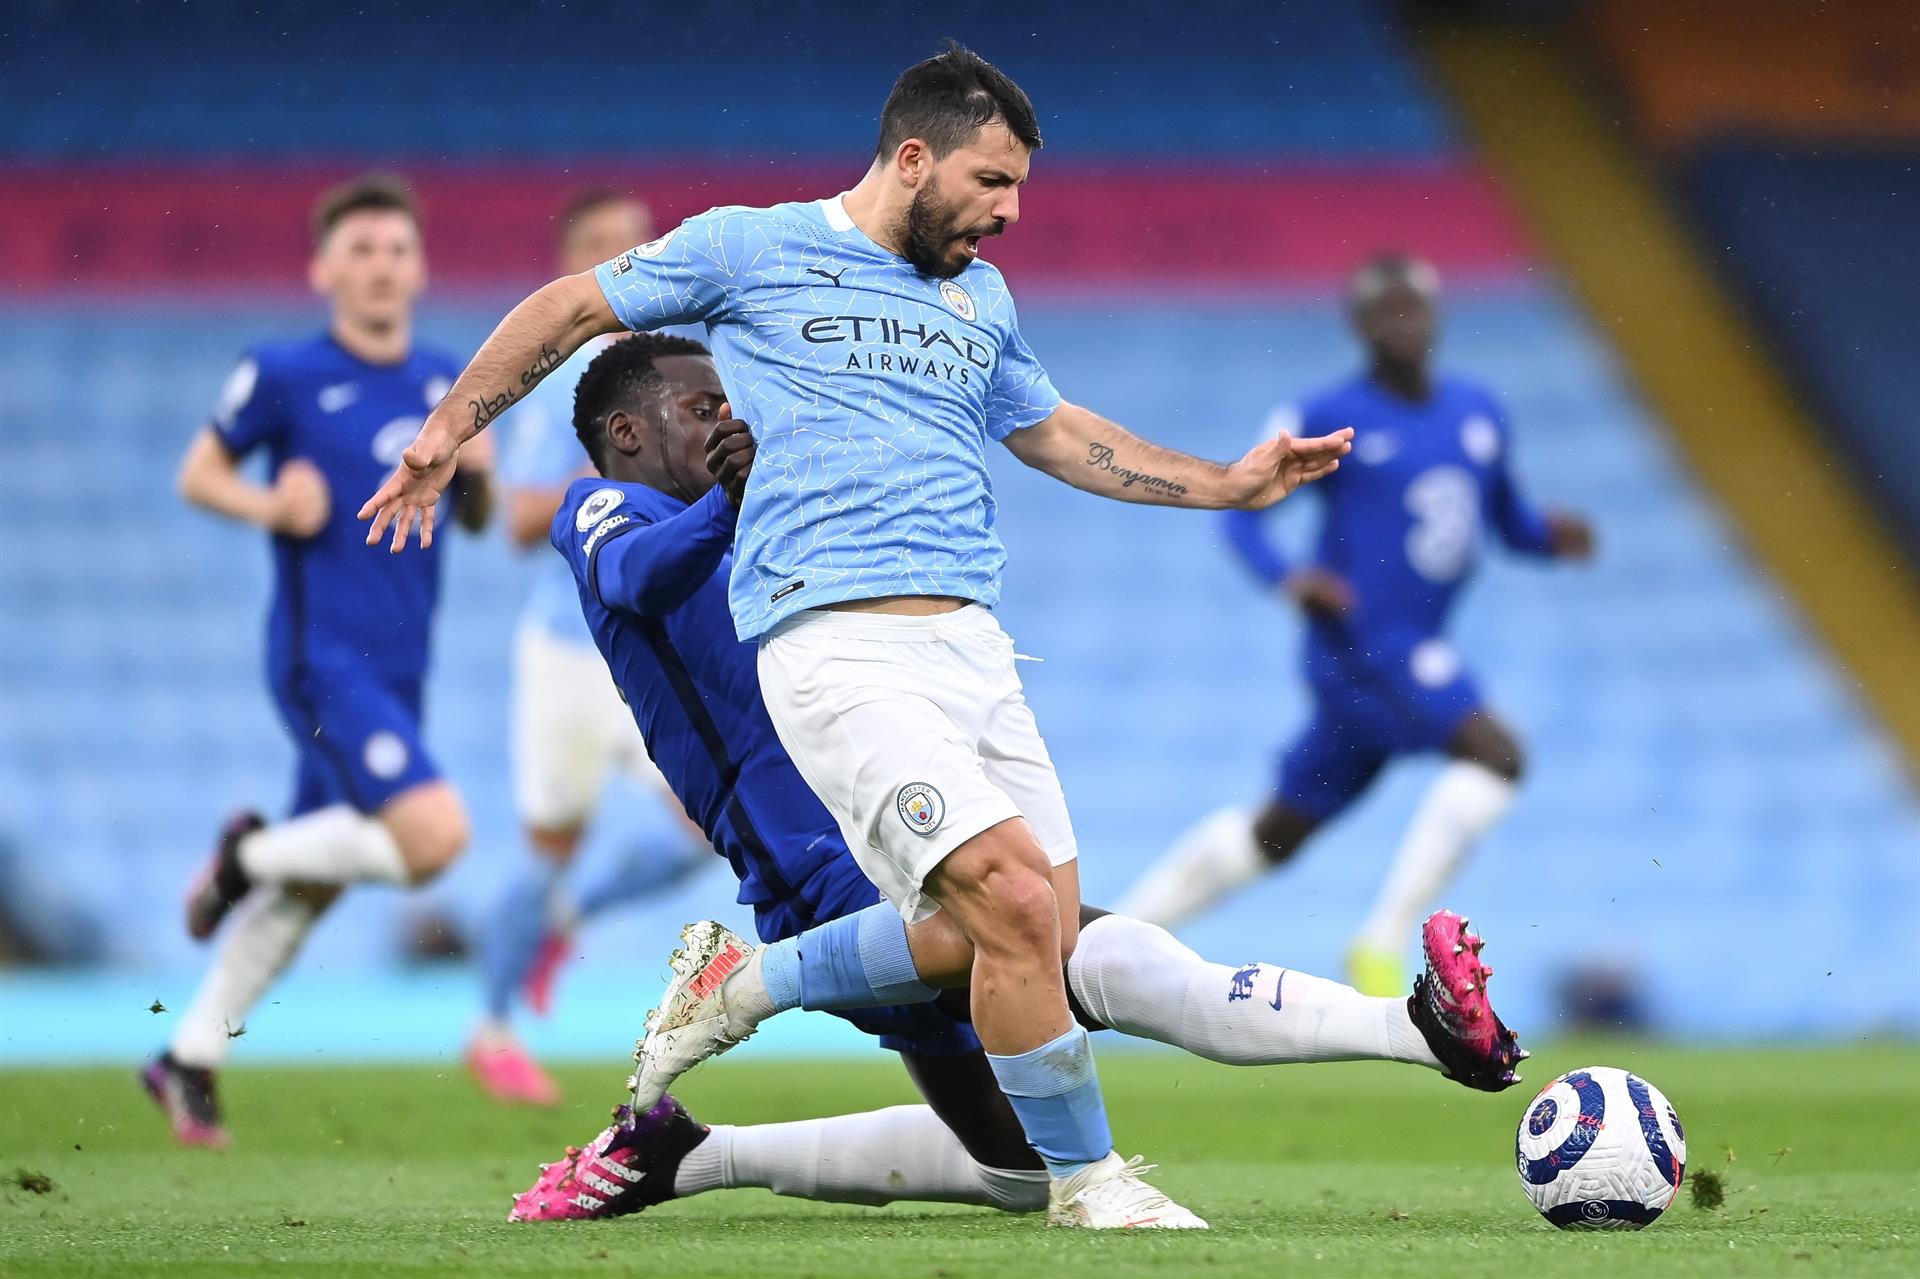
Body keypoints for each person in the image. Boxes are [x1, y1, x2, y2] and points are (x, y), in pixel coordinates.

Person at [359, 43, 1353, 1228]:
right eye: (992, 181)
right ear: (914, 156)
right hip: (833, 638)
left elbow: (1053, 431)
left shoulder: (981, 300)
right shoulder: (752, 247)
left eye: (1021, 188)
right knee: (1014, 909)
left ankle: (752, 995)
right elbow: (574, 305)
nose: (1010, 211)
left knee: (1033, 944)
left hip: (975, 648)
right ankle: (1096, 1187)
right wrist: (447, 426)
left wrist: (1226, 484)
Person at [498, 333, 1522, 1223]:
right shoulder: (601, 511)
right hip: (814, 872)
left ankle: (689, 1152)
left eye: (730, 402)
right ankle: (1416, 1027)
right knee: (1072, 951)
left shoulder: (752, 516)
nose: (726, 420)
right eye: (699, 406)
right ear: (628, 433)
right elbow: (641, 576)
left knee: (1018, 1163)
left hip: (890, 810)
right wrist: (734, 502)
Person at [1115, 253, 1595, 996]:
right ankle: (1382, 941)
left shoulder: (1478, 410)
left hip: (1404, 654)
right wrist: (1290, 580)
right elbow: (1242, 516)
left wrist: (1547, 537)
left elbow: (1503, 519)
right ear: (1360, 325)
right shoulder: (1325, 416)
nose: (1403, 323)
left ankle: (1112, 940)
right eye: (1386, 311)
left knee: (1275, 833)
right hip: (1363, 648)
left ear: (1435, 316)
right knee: (1499, 753)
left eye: (1414, 308)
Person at [144, 176, 493, 1147]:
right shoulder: (285, 373)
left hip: (401, 665)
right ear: (324, 267)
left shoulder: (441, 383)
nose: (380, 266)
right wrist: (269, 506)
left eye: (395, 249)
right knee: (434, 840)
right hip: (322, 657)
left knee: (318, 880)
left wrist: (474, 476)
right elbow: (198, 471)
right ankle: (241, 853)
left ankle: (188, 1055)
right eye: (361, 249)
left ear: (419, 268)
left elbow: (477, 516)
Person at [469, 189, 712, 1106]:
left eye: (634, 244)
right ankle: (491, 1029)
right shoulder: (558, 382)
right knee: (546, 843)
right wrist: (609, 462)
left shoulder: (677, 376)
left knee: (699, 830)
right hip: (570, 655)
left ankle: (563, 922)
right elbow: (525, 520)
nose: (625, 260)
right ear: (574, 267)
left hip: (650, 647)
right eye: (603, 248)